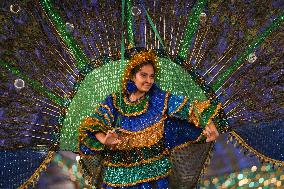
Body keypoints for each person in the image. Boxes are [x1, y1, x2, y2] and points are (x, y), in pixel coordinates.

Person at [78, 50, 220, 188]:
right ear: (132, 76)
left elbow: (188, 108)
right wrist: (104, 139)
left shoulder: (158, 98)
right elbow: (93, 124)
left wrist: (208, 123)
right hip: (118, 177)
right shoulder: (115, 101)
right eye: (143, 75)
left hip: (154, 175)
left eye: (152, 76)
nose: (149, 80)